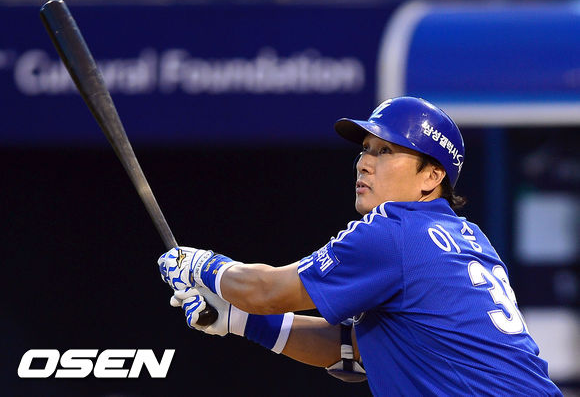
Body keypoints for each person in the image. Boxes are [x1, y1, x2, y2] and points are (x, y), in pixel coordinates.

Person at [157, 96, 562, 396]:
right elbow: (354, 350)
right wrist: (239, 319)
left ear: (431, 176)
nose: (364, 162)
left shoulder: (395, 230)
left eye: (386, 151)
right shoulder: (469, 237)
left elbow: (267, 291)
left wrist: (201, 265)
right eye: (366, 149)